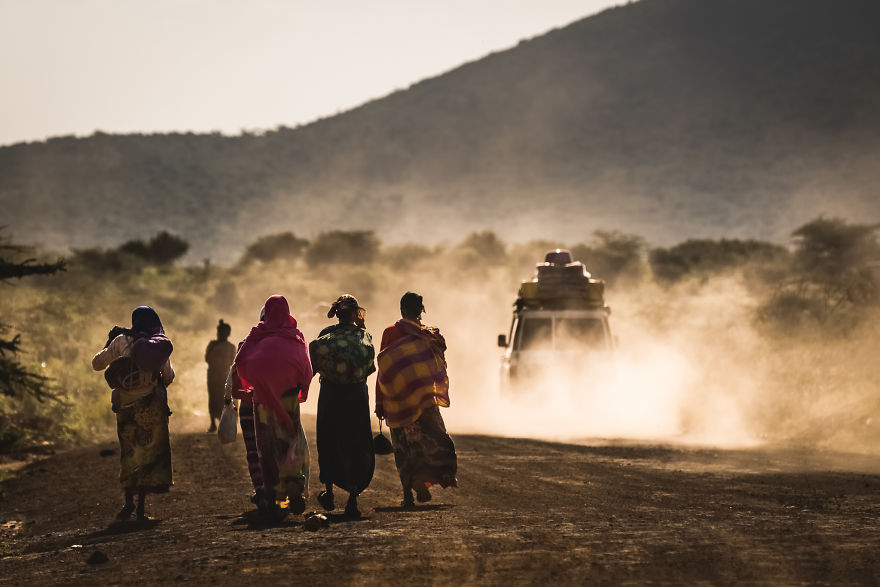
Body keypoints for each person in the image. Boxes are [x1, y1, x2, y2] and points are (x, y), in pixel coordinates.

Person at [91, 306, 174, 521]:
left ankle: (128, 503)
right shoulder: (158, 344)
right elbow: (168, 376)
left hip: (126, 406)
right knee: (148, 453)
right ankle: (141, 510)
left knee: (129, 453)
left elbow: (96, 364)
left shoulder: (121, 341)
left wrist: (108, 345)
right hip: (151, 407)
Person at [375, 292, 457, 507]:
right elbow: (436, 366)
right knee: (432, 440)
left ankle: (408, 494)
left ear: (402, 309)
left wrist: (379, 401)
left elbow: (384, 370)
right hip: (424, 401)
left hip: (396, 401)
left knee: (404, 447)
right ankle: (429, 478)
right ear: (420, 311)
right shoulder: (429, 336)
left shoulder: (390, 333)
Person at [234, 295, 312, 517]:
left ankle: (275, 499)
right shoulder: (295, 338)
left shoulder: (258, 339)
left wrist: (254, 334)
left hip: (262, 401)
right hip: (288, 400)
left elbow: (241, 362)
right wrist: (299, 389)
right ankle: (294, 487)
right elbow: (306, 370)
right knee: (289, 444)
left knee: (266, 448)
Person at [309, 294, 376, 518]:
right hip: (356, 397)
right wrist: (363, 327)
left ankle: (328, 492)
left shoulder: (325, 335)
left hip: (331, 395)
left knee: (330, 439)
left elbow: (315, 366)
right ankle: (353, 499)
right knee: (356, 442)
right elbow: (368, 369)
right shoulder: (364, 336)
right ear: (356, 313)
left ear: (336, 313)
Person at [205, 319, 236, 433]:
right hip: (218, 375)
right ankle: (214, 423)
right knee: (215, 398)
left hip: (218, 375)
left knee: (220, 398)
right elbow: (208, 359)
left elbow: (208, 359)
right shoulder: (227, 346)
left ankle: (219, 423)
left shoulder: (215, 345)